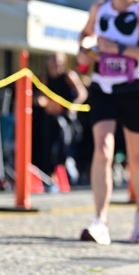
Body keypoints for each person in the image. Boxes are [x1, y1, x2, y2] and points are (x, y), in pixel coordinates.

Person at [76, 0, 139, 245]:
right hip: (103, 86)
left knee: (137, 158)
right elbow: (85, 35)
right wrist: (85, 48)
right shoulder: (99, 7)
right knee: (102, 150)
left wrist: (120, 48)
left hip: (134, 88)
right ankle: (100, 221)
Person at [35, 52, 88, 180]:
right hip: (50, 119)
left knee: (64, 146)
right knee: (48, 148)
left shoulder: (68, 76)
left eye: (58, 61)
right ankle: (51, 176)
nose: (55, 64)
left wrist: (73, 106)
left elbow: (82, 93)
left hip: (66, 119)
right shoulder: (45, 78)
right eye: (53, 60)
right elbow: (41, 97)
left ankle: (66, 170)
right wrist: (41, 101)